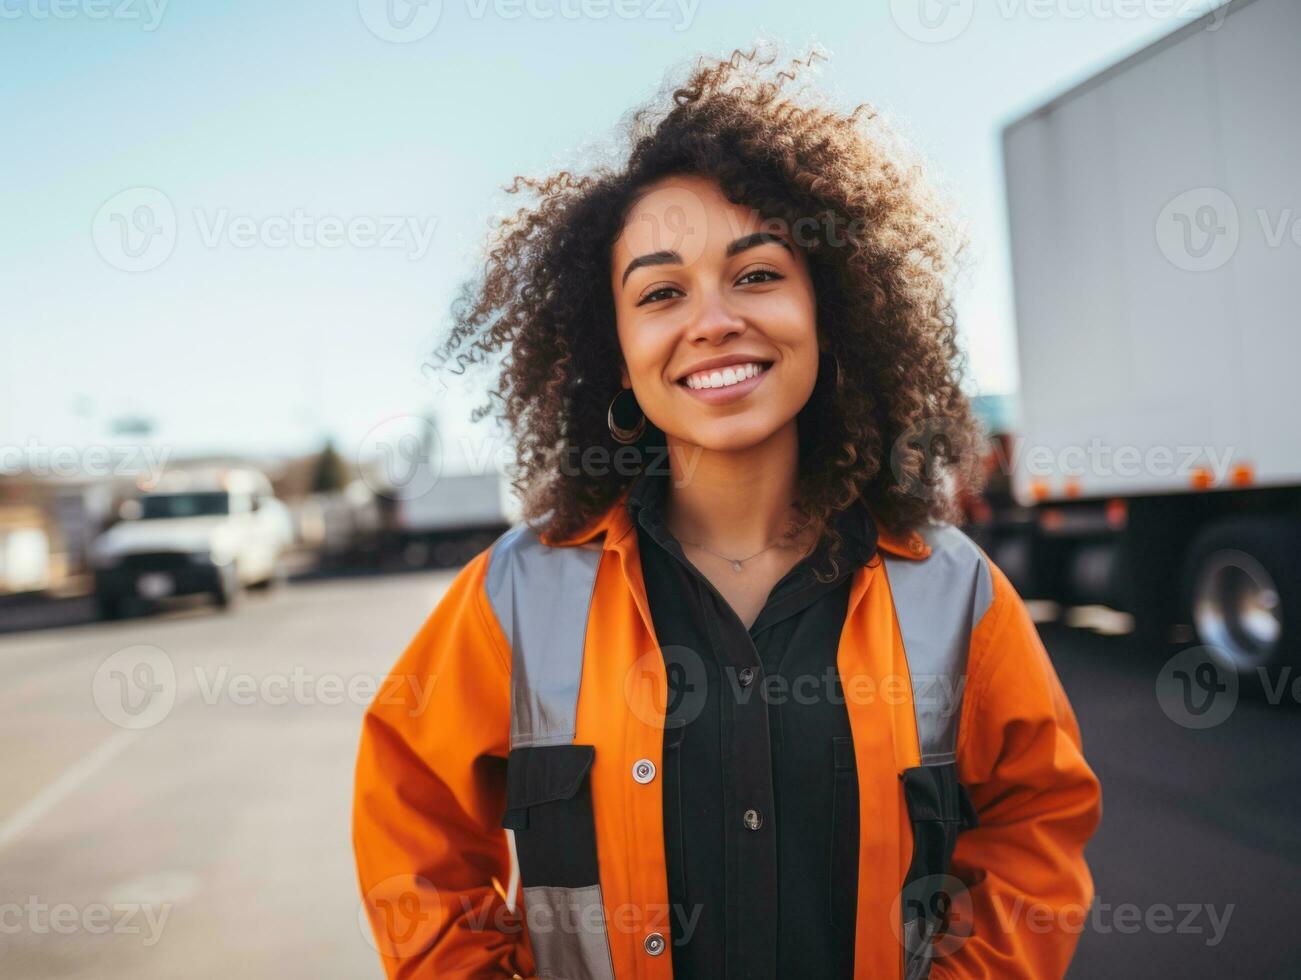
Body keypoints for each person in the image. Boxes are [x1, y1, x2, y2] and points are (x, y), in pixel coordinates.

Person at [353, 46, 1102, 980]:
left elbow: (1037, 827)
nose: (711, 321)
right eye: (661, 293)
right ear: (613, 352)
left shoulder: (955, 594)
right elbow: (412, 831)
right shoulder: (513, 596)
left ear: (831, 314)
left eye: (756, 274)